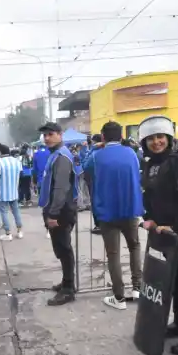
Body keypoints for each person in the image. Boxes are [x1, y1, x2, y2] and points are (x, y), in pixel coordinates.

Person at [137, 115, 178, 355]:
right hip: (164, 234)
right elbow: (151, 197)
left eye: (160, 137)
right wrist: (150, 218)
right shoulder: (151, 164)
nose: (156, 142)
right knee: (172, 284)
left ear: (169, 138)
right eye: (152, 138)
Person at [84, 121, 143, 310]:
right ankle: (137, 288)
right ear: (121, 136)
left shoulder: (96, 156)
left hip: (107, 212)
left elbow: (85, 168)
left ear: (102, 137)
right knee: (134, 247)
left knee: (113, 254)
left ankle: (119, 297)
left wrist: (95, 148)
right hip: (130, 208)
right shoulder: (132, 153)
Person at [38, 122, 79, 306]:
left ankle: (69, 289)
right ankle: (66, 282)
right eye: (45, 135)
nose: (47, 138)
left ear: (60, 135)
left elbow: (60, 188)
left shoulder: (62, 156)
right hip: (57, 209)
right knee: (61, 249)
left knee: (64, 249)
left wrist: (53, 214)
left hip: (61, 211)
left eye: (51, 134)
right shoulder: (55, 155)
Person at [0, 144, 24, 240]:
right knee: (16, 211)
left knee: (4, 212)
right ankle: (19, 231)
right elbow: (21, 174)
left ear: (1, 153)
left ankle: (8, 233)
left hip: (3, 192)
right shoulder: (17, 161)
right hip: (14, 191)